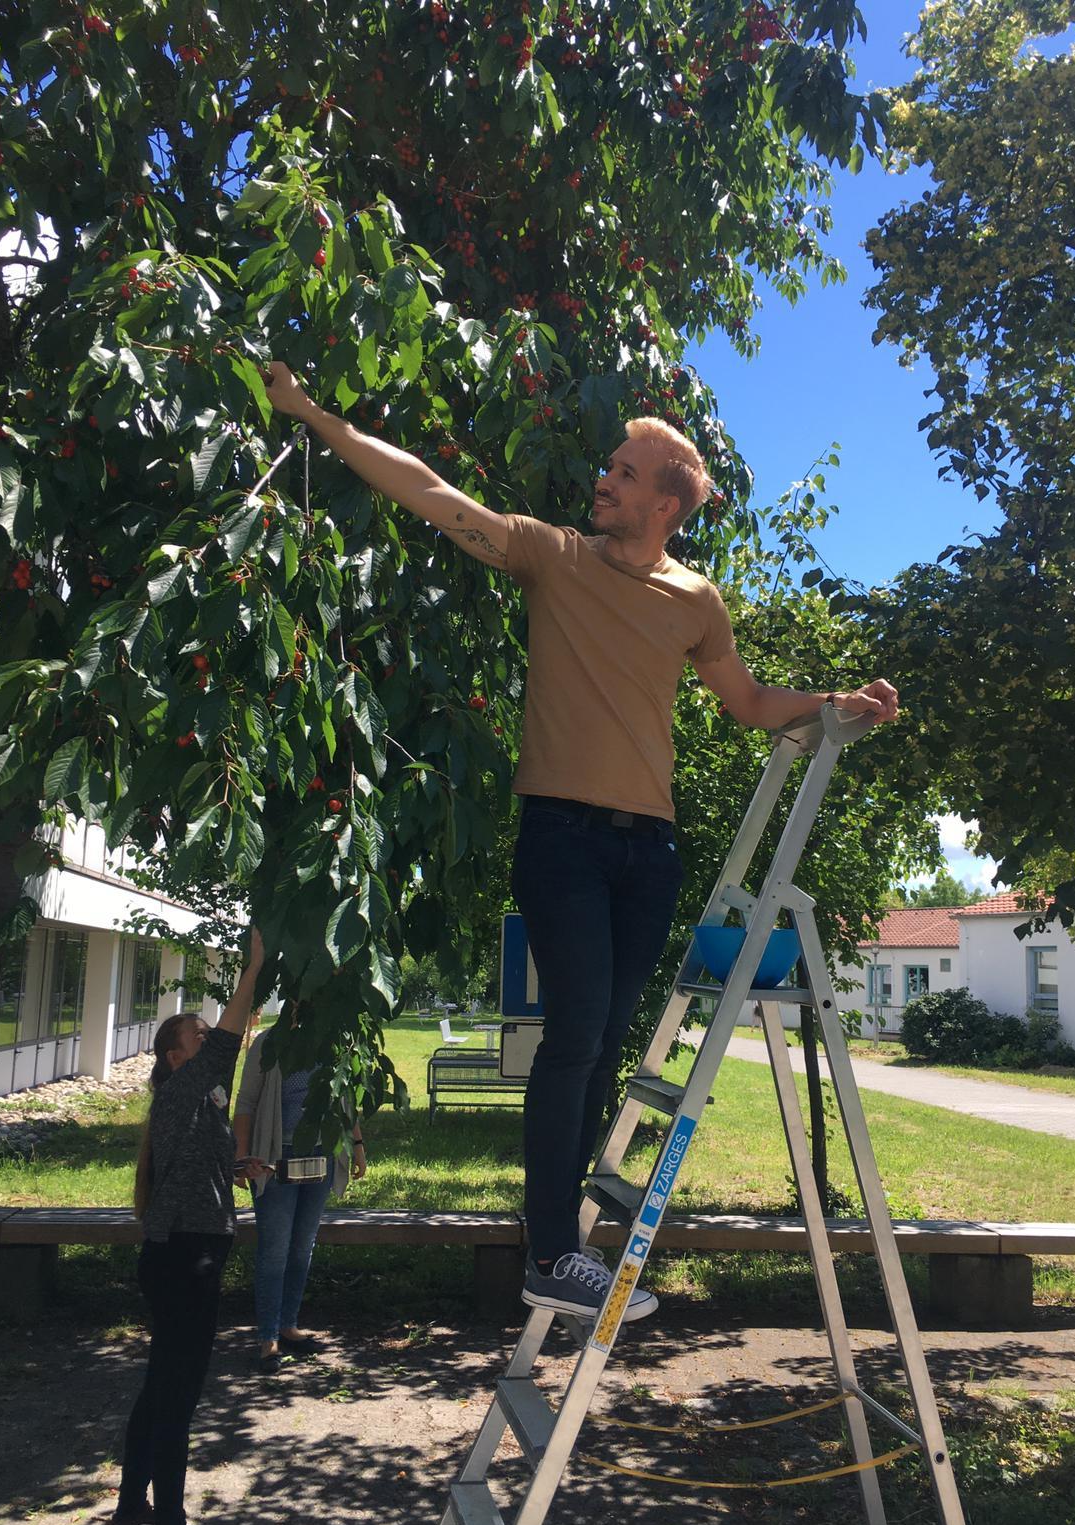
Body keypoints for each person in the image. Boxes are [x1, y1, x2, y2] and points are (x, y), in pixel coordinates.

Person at [262, 362, 898, 1322]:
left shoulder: (696, 601)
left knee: (604, 1047)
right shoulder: (549, 555)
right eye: (607, 469)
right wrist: (316, 416)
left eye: (622, 473)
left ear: (666, 502)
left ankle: (563, 1250)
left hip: (651, 850)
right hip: (560, 836)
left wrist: (836, 707)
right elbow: (432, 494)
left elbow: (752, 706)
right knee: (572, 1040)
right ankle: (550, 1251)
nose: (602, 481)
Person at [107, 928, 266, 1525]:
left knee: (159, 1389)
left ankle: (130, 1514)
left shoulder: (192, 1101)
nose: (209, 1039)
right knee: (178, 1397)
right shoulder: (182, 1087)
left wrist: (233, 1169)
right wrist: (254, 967)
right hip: (186, 1260)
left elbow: (189, 1167)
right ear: (176, 1056)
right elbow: (235, 1033)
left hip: (178, 1252)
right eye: (196, 1036)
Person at [233, 1025, 366, 1369]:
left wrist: (358, 1146)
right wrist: (242, 1158)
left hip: (320, 1155)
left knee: (302, 1245)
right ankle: (268, 1338)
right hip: (276, 1157)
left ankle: (288, 1325)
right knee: (274, 1249)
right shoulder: (268, 1043)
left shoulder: (334, 1039)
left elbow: (346, 1096)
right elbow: (246, 1102)